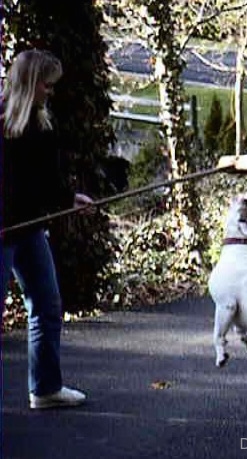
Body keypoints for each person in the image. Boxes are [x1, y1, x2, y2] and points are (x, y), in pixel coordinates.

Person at [1, 48, 94, 409]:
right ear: (29, 83)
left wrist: (69, 198)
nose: (50, 92)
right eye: (47, 84)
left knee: (47, 303)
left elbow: (44, 182)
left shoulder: (41, 125)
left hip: (29, 229)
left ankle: (45, 389)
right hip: (3, 230)